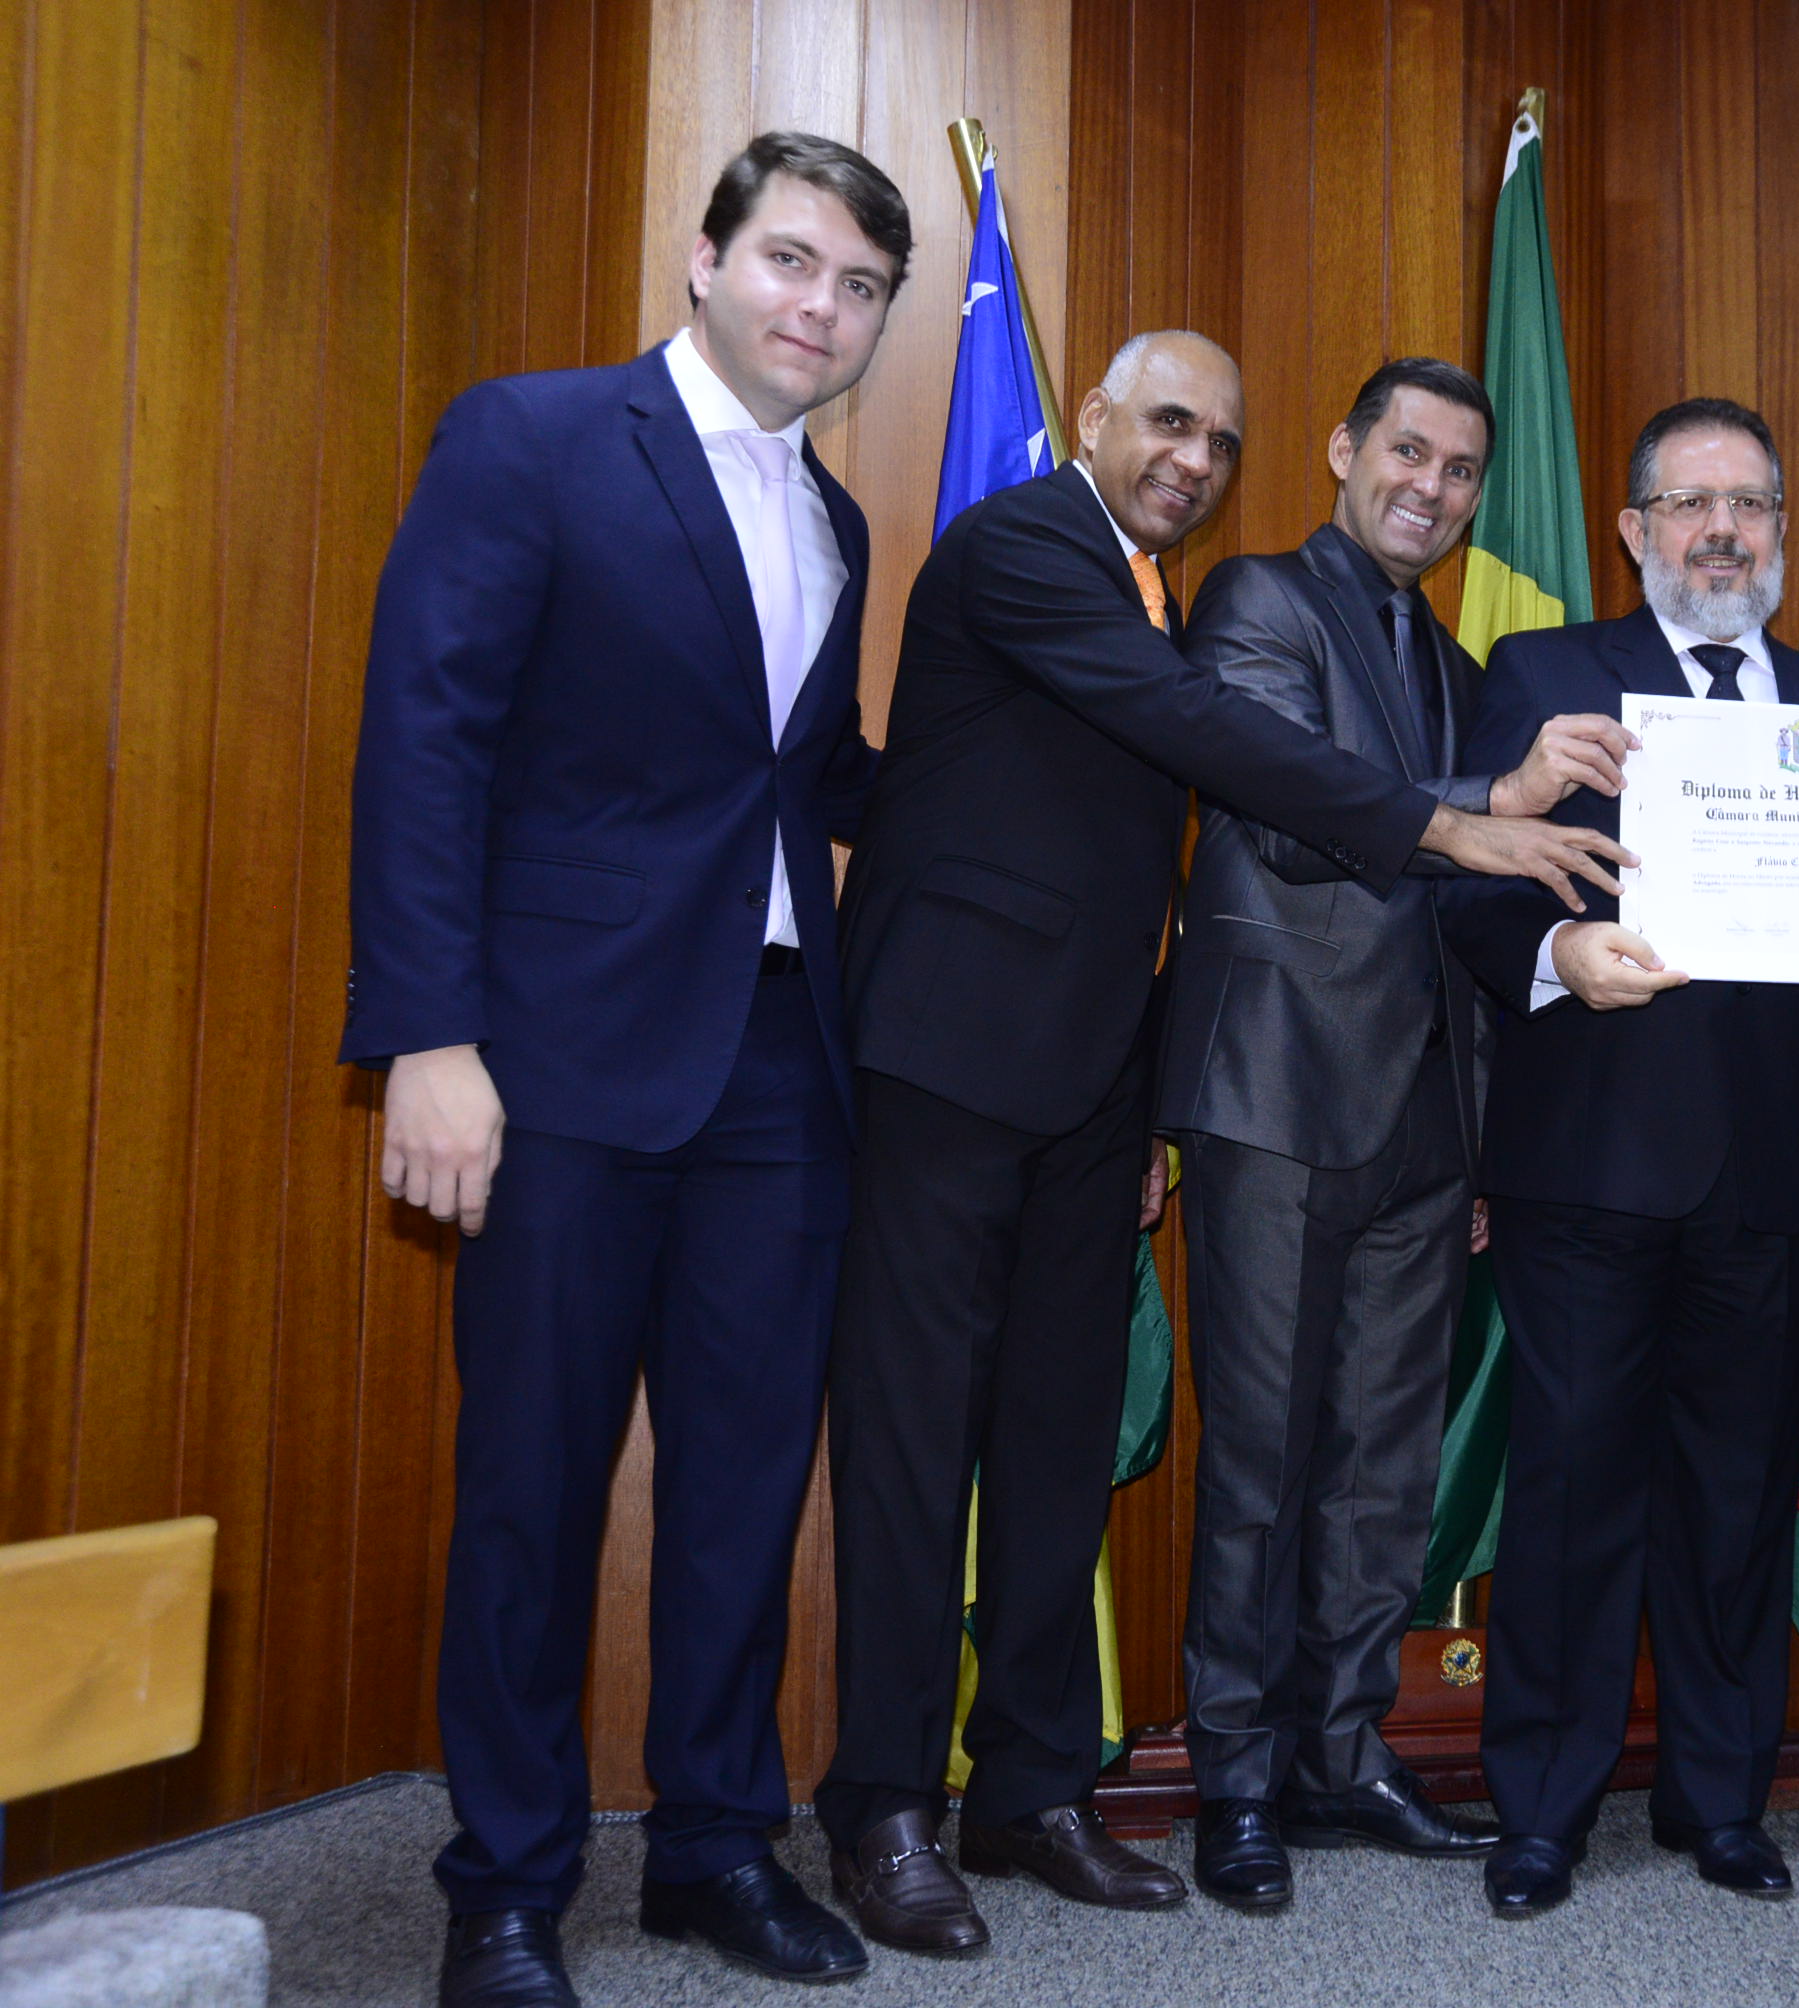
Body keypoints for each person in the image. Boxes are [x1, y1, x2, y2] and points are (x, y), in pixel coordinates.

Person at [811, 329, 1628, 1945]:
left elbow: (1133, 853)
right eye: (1167, 423)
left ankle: (1030, 1789)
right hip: (950, 1055)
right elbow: (1219, 751)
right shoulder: (1029, 545)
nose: (1190, 459)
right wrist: (1458, 817)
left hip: (1097, 1077)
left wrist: (1143, 1094)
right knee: (914, 1447)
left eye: (1215, 440)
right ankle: (883, 1807)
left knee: (1055, 1446)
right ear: (1093, 416)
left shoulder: (1164, 597)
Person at [346, 132, 912, 2007]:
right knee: (533, 1483)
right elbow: (426, 737)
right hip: (556, 1059)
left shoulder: (838, 525)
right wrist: (428, 1036)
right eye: (792, 260)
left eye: (858, 287)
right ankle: (504, 1887)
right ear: (706, 258)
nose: (819, 306)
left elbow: (811, 778)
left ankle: (712, 1849)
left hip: (781, 1068)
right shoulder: (531, 437)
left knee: (744, 1487)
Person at [1155, 356, 1635, 1908]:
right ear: (1344, 448)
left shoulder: (1450, 652)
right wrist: (1496, 795)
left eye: (1460, 470)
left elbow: (1470, 918)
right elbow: (1292, 812)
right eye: (1408, 452)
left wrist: (1478, 1138)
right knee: (1262, 1458)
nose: (1431, 487)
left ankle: (1343, 1752)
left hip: (1429, 1123)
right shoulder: (1256, 600)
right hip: (1277, 1097)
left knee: (1383, 1464)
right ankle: (1237, 1774)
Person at [1439, 397, 1799, 1919]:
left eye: (1749, 504)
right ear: (1633, 531)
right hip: (1585, 1162)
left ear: (1782, 531)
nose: (1722, 532)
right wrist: (1557, 951)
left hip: (1770, 1169)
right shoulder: (1544, 676)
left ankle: (1721, 1799)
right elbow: (1469, 889)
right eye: (1689, 504)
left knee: (1737, 1493)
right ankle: (1541, 1812)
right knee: (1570, 1492)